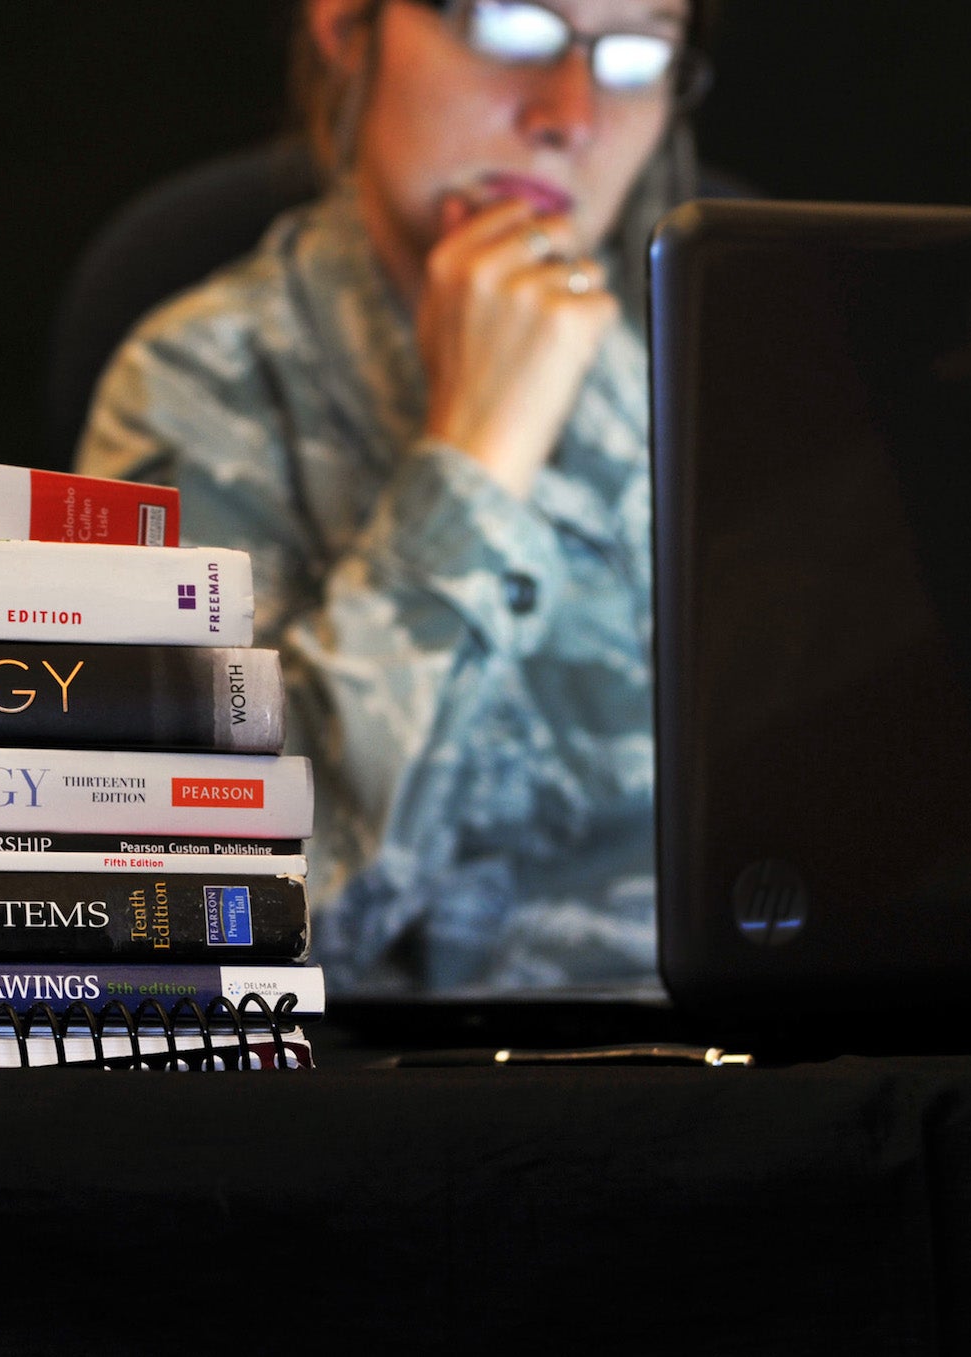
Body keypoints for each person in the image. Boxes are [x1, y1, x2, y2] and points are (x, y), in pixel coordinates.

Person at [75, 0, 707, 999]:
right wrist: (473, 461)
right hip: (402, 1115)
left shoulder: (707, 376)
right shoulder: (200, 383)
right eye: (512, 24)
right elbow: (233, 911)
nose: (571, 113)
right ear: (345, 28)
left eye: (637, 54)